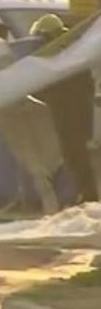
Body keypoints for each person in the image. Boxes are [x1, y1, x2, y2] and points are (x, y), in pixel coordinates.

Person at [29, 13, 99, 203]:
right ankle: (86, 193)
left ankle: (88, 195)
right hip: (79, 110)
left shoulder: (60, 56)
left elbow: (50, 87)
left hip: (68, 112)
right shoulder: (73, 50)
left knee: (74, 154)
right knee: (76, 155)